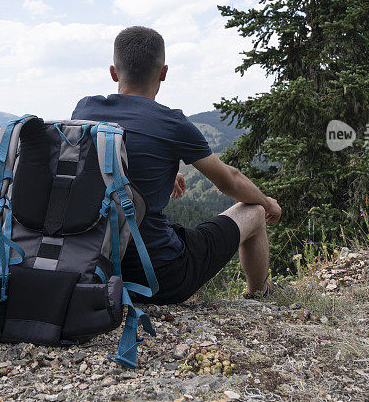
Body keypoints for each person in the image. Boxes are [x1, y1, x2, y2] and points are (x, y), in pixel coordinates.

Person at [72, 26, 281, 304]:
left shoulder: (84, 110)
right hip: (159, 276)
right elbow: (229, 180)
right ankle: (259, 294)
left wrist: (163, 172)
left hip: (95, 268)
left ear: (113, 73)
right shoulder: (171, 123)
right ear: (163, 73)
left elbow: (98, 165)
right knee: (253, 210)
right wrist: (267, 202)